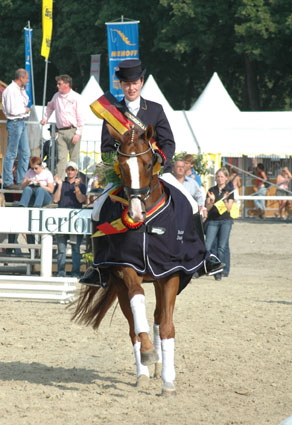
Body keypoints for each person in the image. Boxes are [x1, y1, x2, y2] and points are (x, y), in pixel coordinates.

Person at [80, 59, 223, 286]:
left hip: (156, 172)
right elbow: (106, 149)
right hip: (124, 174)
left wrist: (159, 161)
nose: (131, 87)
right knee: (97, 209)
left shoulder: (155, 109)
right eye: (126, 83)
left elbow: (169, 142)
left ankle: (203, 257)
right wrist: (118, 166)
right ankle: (98, 267)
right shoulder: (112, 113)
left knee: (192, 204)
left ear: (141, 82)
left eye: (135, 83)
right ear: (121, 84)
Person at [40, 74, 85, 179]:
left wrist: (78, 133)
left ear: (67, 84)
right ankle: (60, 182)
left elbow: (81, 117)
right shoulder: (56, 96)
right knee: (61, 158)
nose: (57, 86)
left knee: (73, 159)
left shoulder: (76, 97)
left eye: (59, 84)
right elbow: (50, 107)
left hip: (73, 130)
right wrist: (45, 118)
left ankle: (72, 182)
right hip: (61, 131)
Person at [53, 161, 87, 277]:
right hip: (62, 220)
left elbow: (82, 200)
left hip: (75, 221)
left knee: (76, 249)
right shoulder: (60, 184)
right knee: (61, 249)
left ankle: (75, 272)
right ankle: (61, 272)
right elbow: (56, 200)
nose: (70, 172)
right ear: (66, 171)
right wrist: (60, 186)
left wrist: (77, 187)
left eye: (72, 170)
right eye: (68, 169)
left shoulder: (81, 185)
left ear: (76, 171)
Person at [2, 68, 31, 189]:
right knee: (12, 152)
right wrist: (25, 110)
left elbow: (26, 100)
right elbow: (11, 110)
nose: (27, 80)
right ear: (21, 78)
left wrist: (23, 90)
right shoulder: (10, 90)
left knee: (25, 152)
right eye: (26, 78)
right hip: (14, 122)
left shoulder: (19, 90)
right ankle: (8, 181)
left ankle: (20, 180)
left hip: (21, 122)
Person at [205, 167, 234, 281]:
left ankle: (220, 271)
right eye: (218, 176)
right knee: (208, 246)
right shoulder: (212, 190)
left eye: (222, 176)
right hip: (213, 220)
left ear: (226, 178)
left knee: (222, 247)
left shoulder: (229, 191)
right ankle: (211, 266)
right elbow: (208, 207)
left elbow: (228, 208)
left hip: (225, 221)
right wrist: (211, 200)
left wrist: (226, 199)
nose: (220, 179)